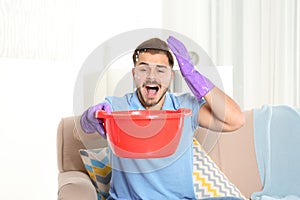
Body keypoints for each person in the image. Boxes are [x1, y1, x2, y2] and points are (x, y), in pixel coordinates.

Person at [80, 36, 245, 200]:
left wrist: (193, 76)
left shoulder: (186, 107)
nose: (152, 77)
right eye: (144, 69)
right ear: (134, 74)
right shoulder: (116, 107)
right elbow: (79, 131)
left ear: (171, 77)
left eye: (160, 70)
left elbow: (236, 120)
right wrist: (89, 118)